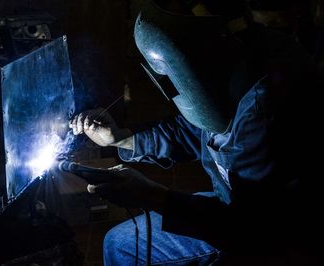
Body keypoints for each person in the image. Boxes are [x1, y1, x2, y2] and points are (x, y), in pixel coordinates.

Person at [70, 0, 321, 265]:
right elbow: (189, 130)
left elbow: (251, 233)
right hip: (239, 209)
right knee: (118, 242)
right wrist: (122, 138)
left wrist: (154, 196)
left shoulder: (263, 106)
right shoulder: (233, 63)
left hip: (278, 238)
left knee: (125, 249)